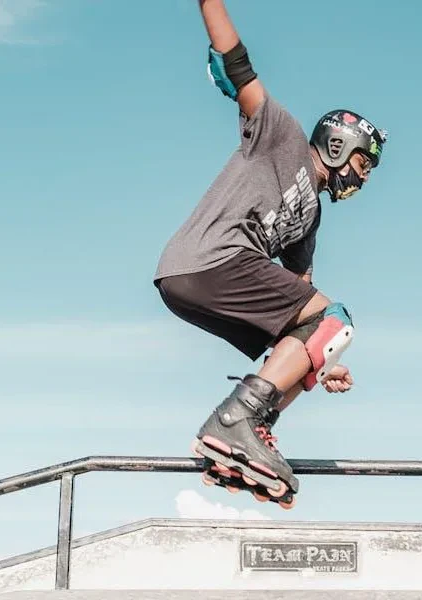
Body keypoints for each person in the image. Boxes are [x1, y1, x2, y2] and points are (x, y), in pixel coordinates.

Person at [153, 0, 388, 509]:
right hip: (211, 259)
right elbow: (234, 64)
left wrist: (323, 364)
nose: (364, 176)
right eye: (363, 163)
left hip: (190, 279)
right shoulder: (279, 135)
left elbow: (303, 312)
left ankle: (249, 435)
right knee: (338, 319)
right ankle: (236, 422)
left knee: (323, 336)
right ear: (335, 145)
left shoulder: (310, 219)